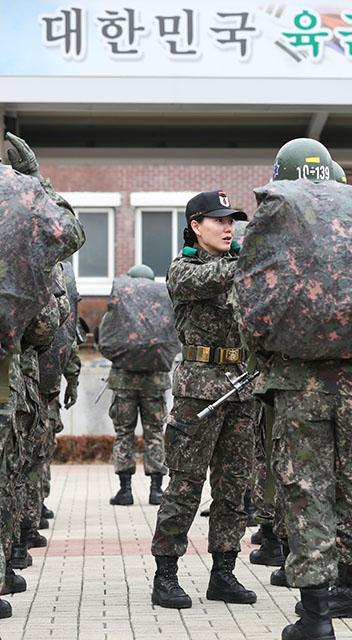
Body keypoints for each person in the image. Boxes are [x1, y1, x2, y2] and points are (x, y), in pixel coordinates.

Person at [241, 138, 352, 640]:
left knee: (307, 498)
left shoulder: (281, 213)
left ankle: (316, 621)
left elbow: (252, 307)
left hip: (298, 383)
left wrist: (265, 359)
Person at [151, 190, 257, 609]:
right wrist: (253, 259)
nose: (229, 226)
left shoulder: (241, 265)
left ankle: (224, 573)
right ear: (196, 225)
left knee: (234, 487)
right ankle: (166, 575)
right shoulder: (184, 268)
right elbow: (213, 279)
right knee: (185, 485)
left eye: (232, 220)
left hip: (241, 386)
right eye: (219, 220)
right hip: (199, 390)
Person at [106, 264, 169, 506]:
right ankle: (156, 490)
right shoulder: (162, 305)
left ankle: (125, 491)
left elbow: (106, 339)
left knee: (124, 432)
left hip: (124, 380)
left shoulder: (120, 304)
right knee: (154, 433)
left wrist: (119, 359)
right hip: (155, 380)